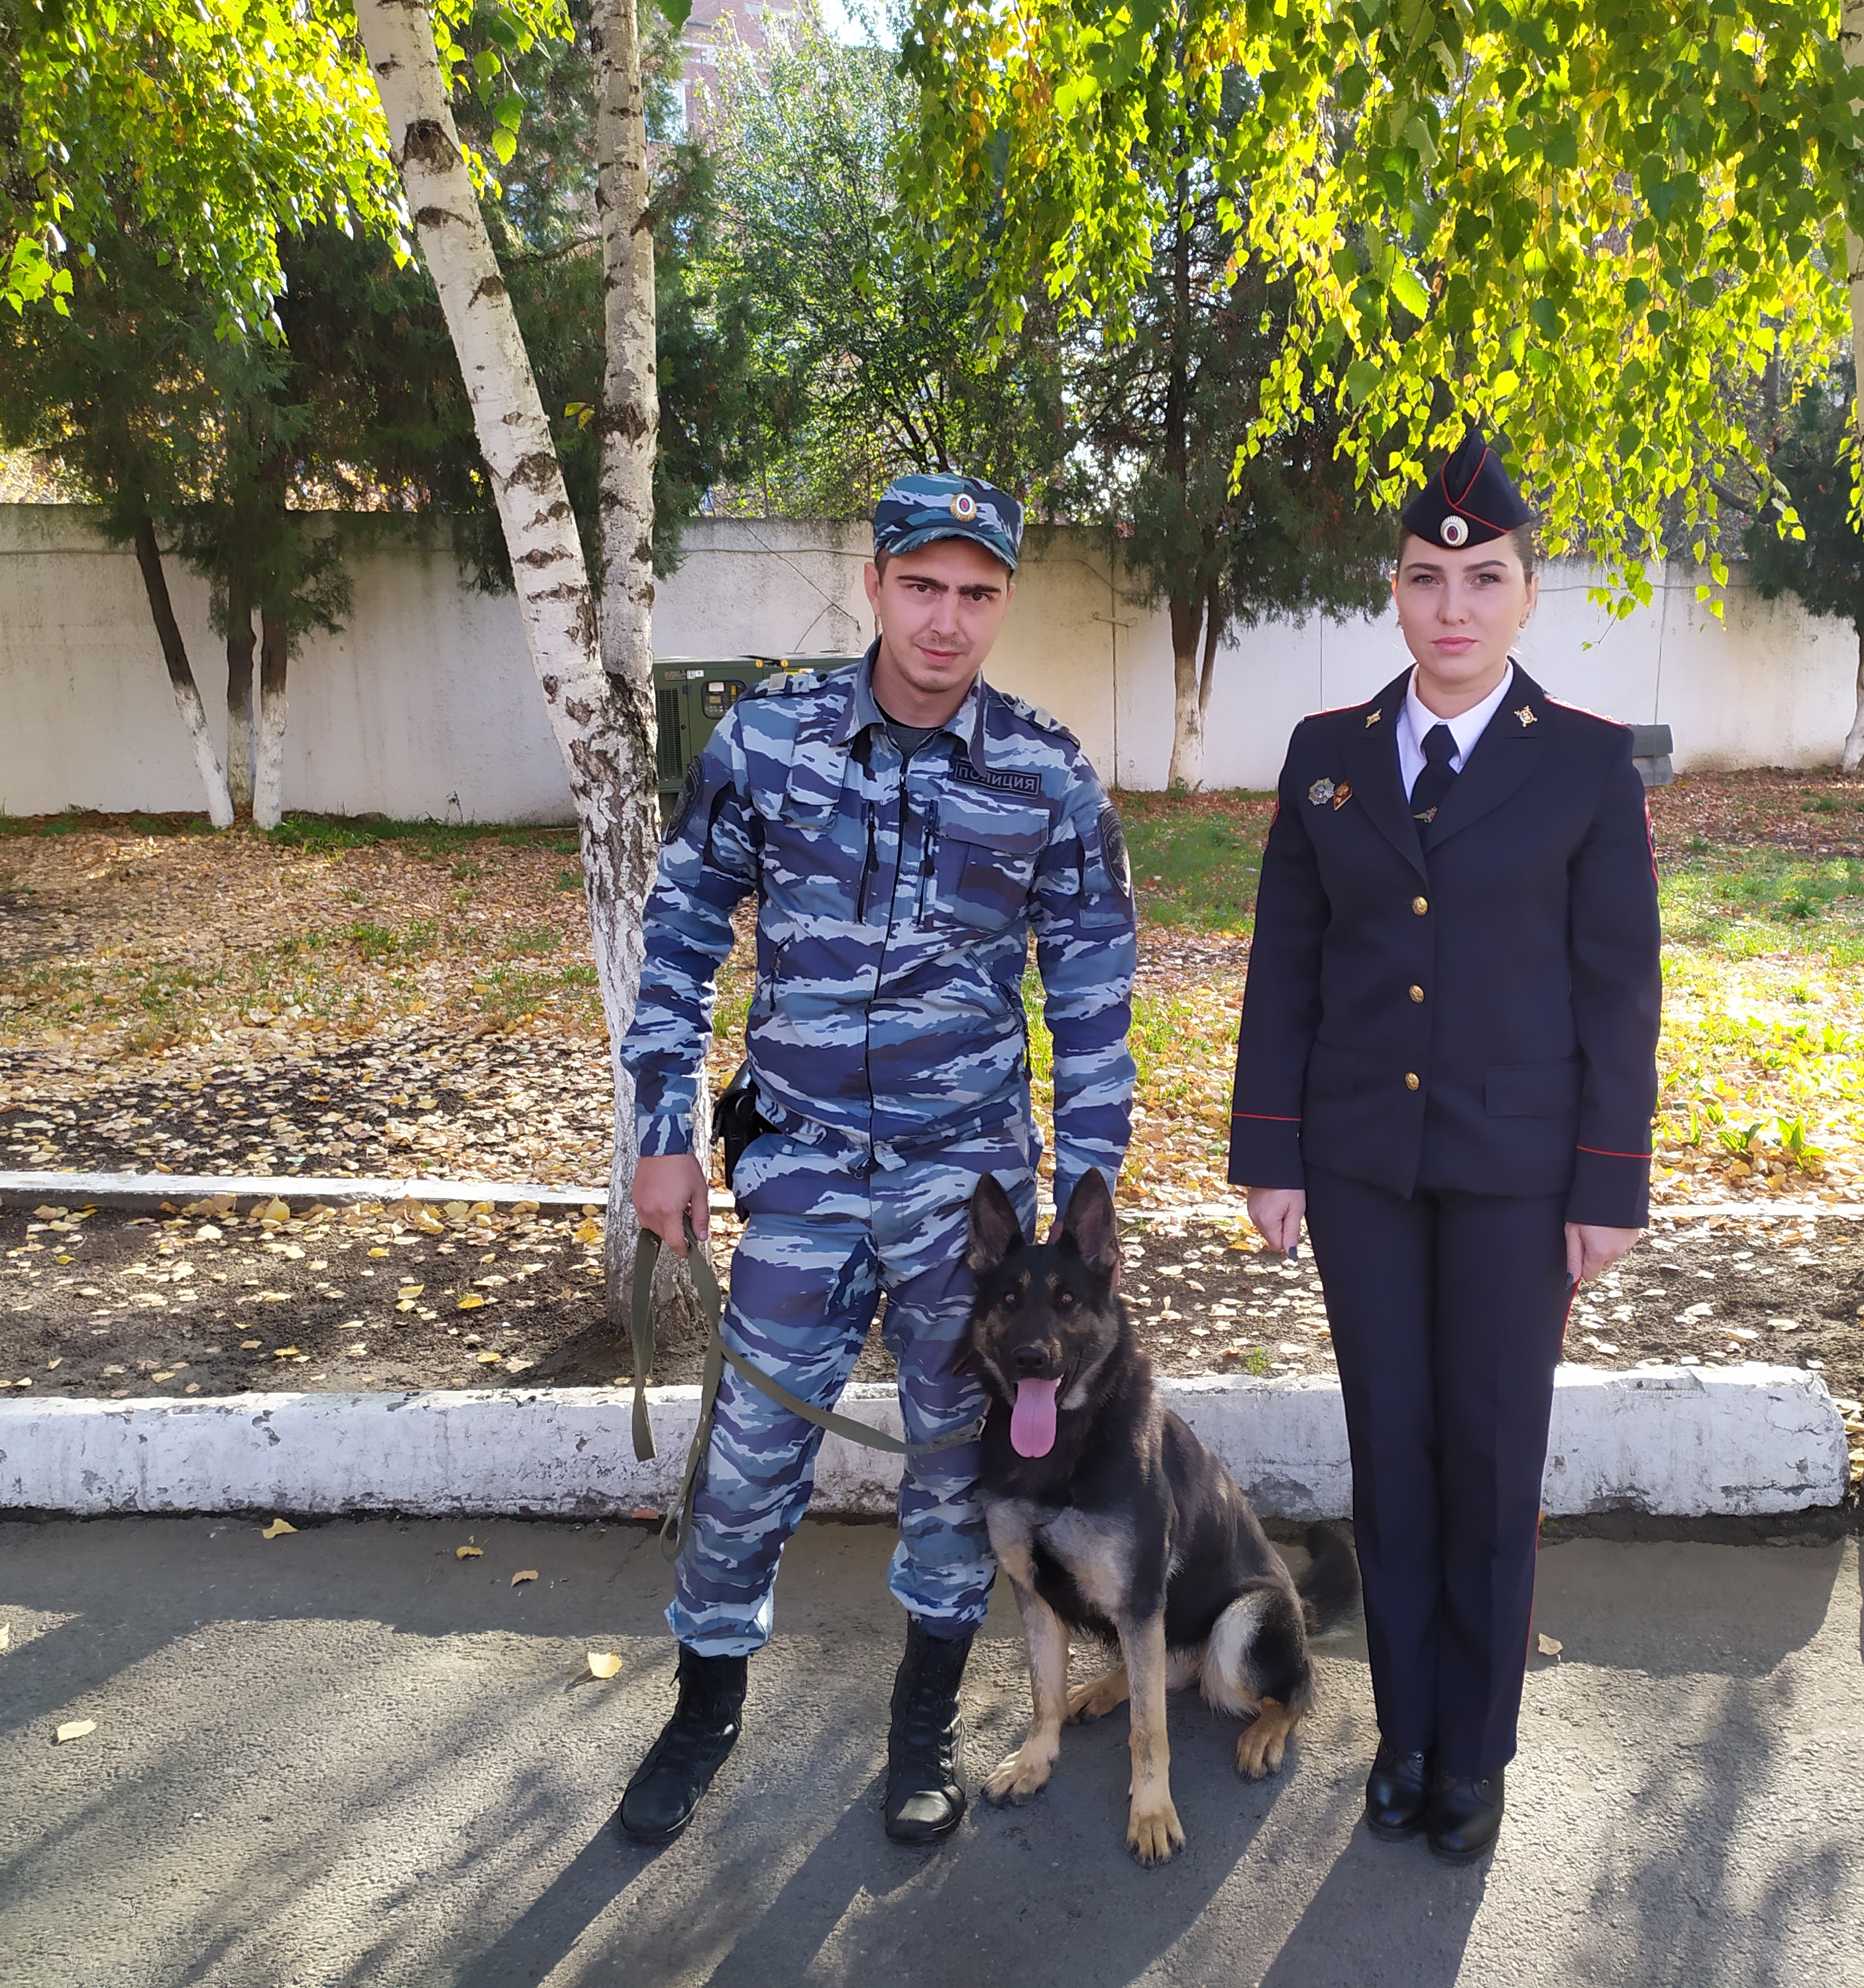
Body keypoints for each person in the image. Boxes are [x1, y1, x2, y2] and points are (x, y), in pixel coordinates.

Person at [613, 471, 1138, 1849]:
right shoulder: (767, 739)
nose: (947, 621)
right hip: (797, 1168)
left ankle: (919, 1726)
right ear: (875, 584)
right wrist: (660, 1140)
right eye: (923, 587)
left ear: (1002, 601)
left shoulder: (1041, 771)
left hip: (963, 1196)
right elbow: (676, 938)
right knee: (748, 1454)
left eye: (976, 594)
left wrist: (1082, 1215)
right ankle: (703, 1707)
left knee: (959, 1465)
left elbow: (1090, 986)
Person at [1229, 434, 1661, 1864]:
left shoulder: (1587, 768)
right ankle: (1402, 1733)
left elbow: (1616, 986)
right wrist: (1269, 1155)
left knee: (1486, 1460)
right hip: (1357, 1163)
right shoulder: (1326, 759)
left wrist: (1607, 1184)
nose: (1453, 607)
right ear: (1394, 593)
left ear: (1528, 596)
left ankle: (1471, 1752)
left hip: (1517, 1174)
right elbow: (1285, 961)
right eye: (1427, 578)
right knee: (1390, 1451)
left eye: (1484, 580)